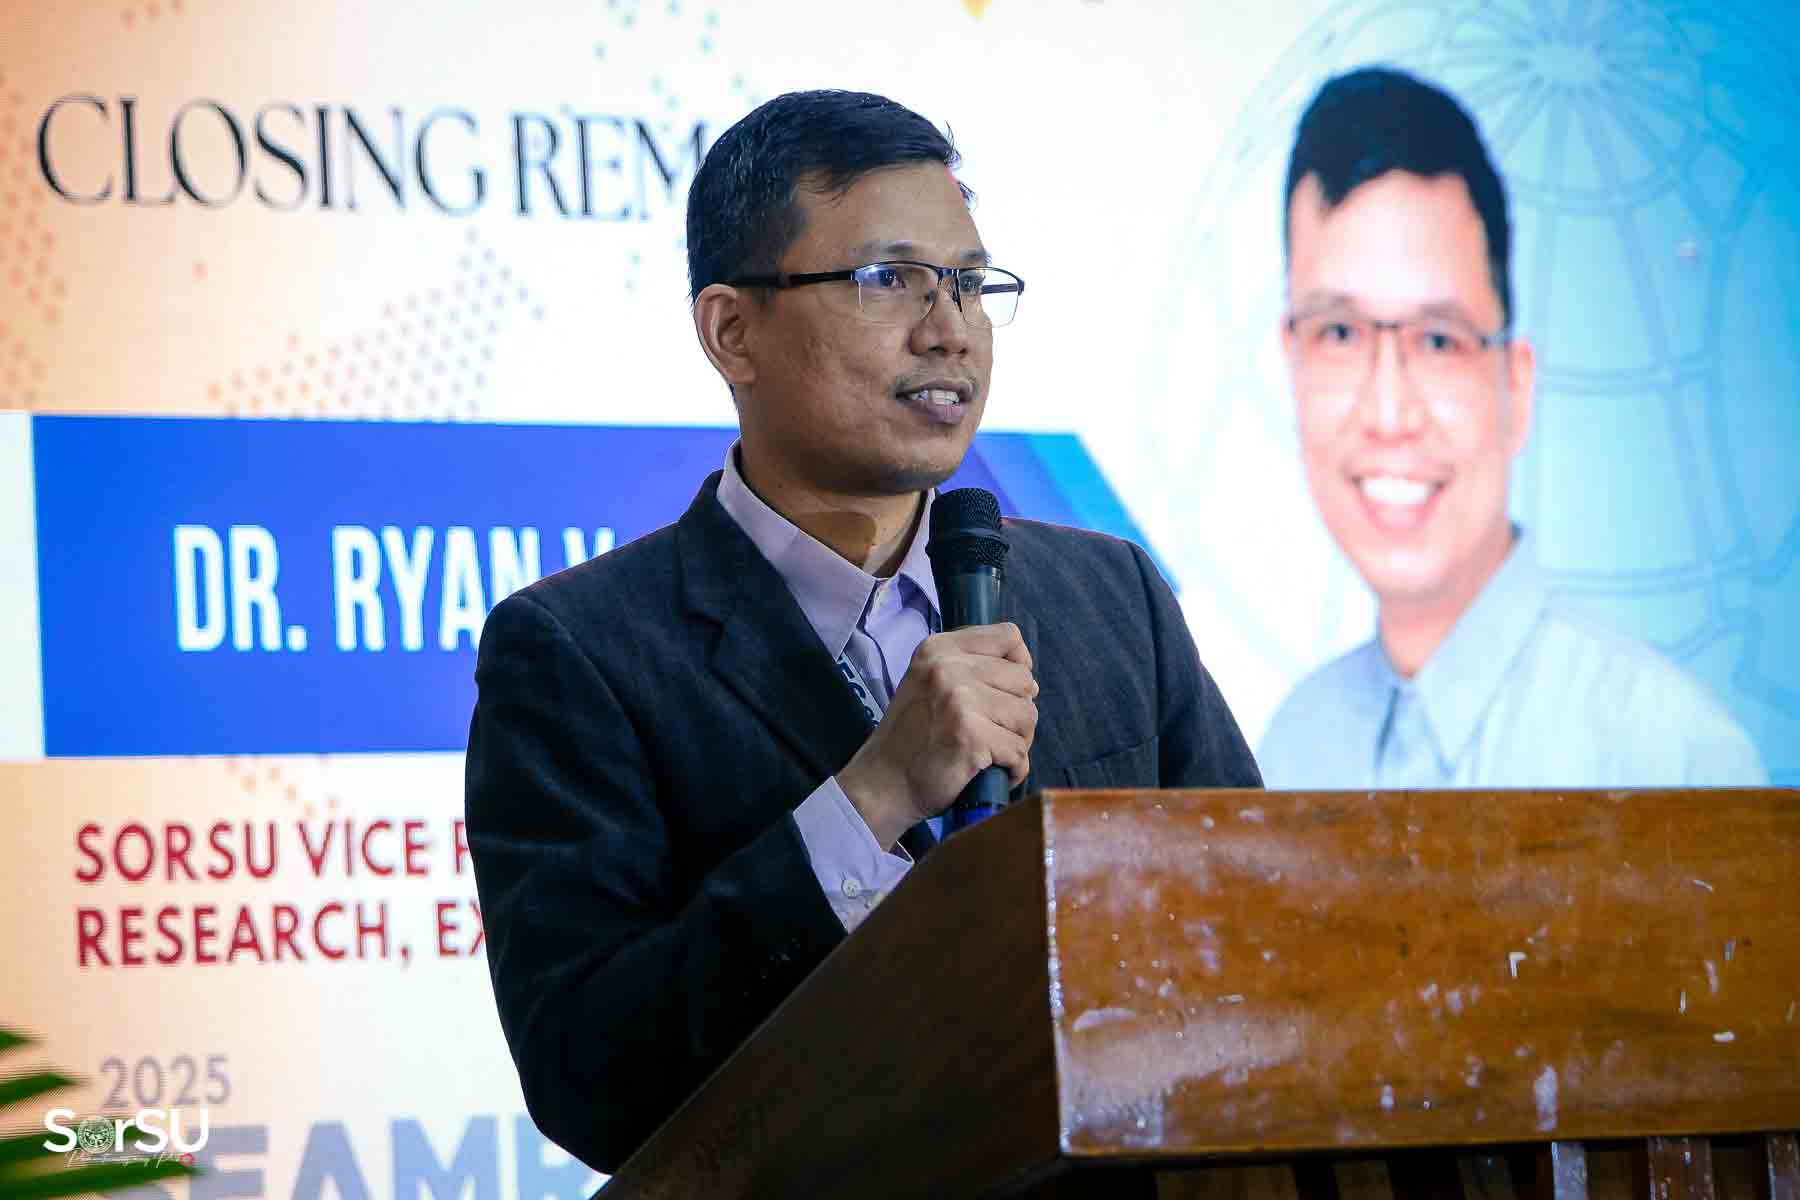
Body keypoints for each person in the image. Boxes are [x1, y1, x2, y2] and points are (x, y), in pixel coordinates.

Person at [464, 89, 1262, 1174]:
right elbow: (592, 1080)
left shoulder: (1112, 595)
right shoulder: (578, 654)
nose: (949, 329)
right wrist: (869, 800)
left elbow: (1260, 929)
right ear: (732, 332)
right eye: (890, 280)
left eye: (969, 283)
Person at [1257, 66, 1765, 788]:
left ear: (1516, 388)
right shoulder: (1291, 754)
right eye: (1339, 333)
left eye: (1439, 340)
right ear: (1292, 362)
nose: (1390, 413)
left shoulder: (1674, 761)